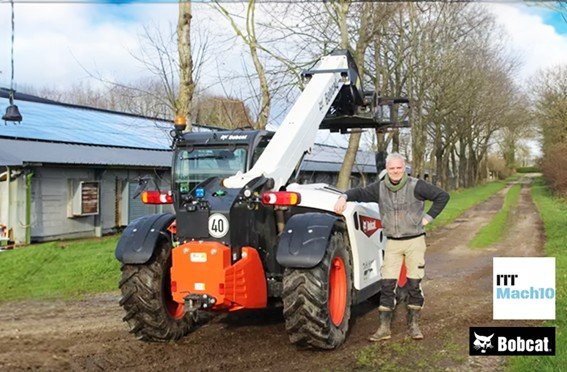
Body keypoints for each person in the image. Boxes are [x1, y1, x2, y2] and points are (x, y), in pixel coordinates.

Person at [334, 152, 449, 341]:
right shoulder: (379, 188)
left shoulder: (416, 185)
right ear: (387, 170)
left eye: (399, 168)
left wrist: (428, 218)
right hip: (392, 243)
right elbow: (360, 193)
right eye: (392, 168)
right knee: (387, 285)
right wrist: (344, 197)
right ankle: (384, 328)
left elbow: (442, 196)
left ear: (404, 168)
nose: (395, 171)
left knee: (414, 284)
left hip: (415, 241)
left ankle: (414, 326)